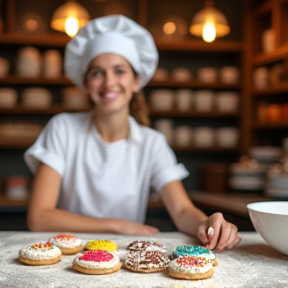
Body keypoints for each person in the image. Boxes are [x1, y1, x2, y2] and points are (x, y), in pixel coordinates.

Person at [24, 15, 241, 250]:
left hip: (124, 256)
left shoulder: (152, 143)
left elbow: (181, 210)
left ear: (136, 80)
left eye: (119, 71)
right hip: (68, 252)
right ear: (86, 83)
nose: (109, 82)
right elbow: (39, 217)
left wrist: (205, 223)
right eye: (97, 73)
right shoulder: (62, 129)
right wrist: (118, 226)